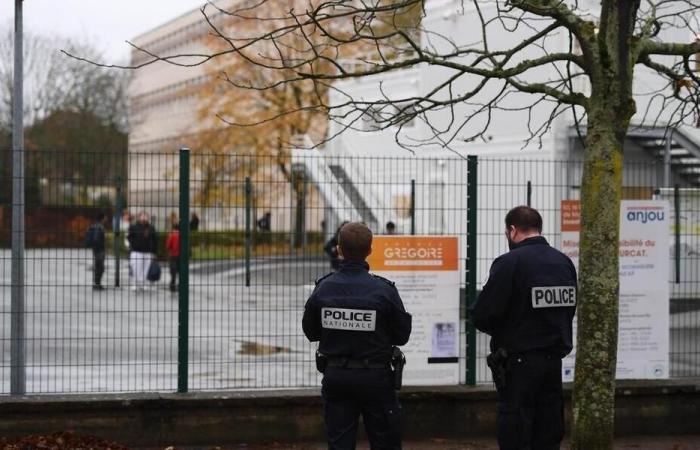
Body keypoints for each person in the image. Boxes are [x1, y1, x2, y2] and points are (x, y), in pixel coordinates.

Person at [469, 206, 577, 450]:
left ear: (512, 230)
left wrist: (506, 330)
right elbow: (569, 308)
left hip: (518, 363)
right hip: (552, 362)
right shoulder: (563, 262)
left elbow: (484, 313)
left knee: (516, 431)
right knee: (548, 431)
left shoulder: (509, 263)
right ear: (539, 228)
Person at [303, 222, 412, 450]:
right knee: (385, 442)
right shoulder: (384, 290)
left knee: (340, 443)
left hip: (337, 377)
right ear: (370, 250)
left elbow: (310, 331)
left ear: (339, 250)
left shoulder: (324, 288)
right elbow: (402, 335)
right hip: (376, 378)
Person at [127, 212, 158, 291]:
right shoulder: (133, 227)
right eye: (143, 216)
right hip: (136, 252)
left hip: (148, 252)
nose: (144, 218)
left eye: (146, 216)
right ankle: (135, 284)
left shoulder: (151, 227)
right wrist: (133, 245)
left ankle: (143, 283)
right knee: (136, 268)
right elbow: (129, 238)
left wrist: (154, 252)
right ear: (139, 217)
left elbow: (154, 240)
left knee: (146, 269)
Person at [86, 212, 108, 291]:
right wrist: (100, 248)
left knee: (98, 266)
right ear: (102, 218)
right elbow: (97, 239)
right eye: (105, 217)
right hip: (99, 250)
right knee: (100, 267)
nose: (106, 219)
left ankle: (97, 283)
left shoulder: (94, 226)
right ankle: (97, 284)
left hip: (96, 250)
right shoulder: (100, 227)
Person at [165, 222, 180, 292]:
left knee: (173, 272)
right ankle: (181, 286)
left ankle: (172, 286)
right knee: (181, 271)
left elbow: (168, 246)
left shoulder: (172, 235)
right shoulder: (183, 235)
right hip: (181, 256)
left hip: (173, 255)